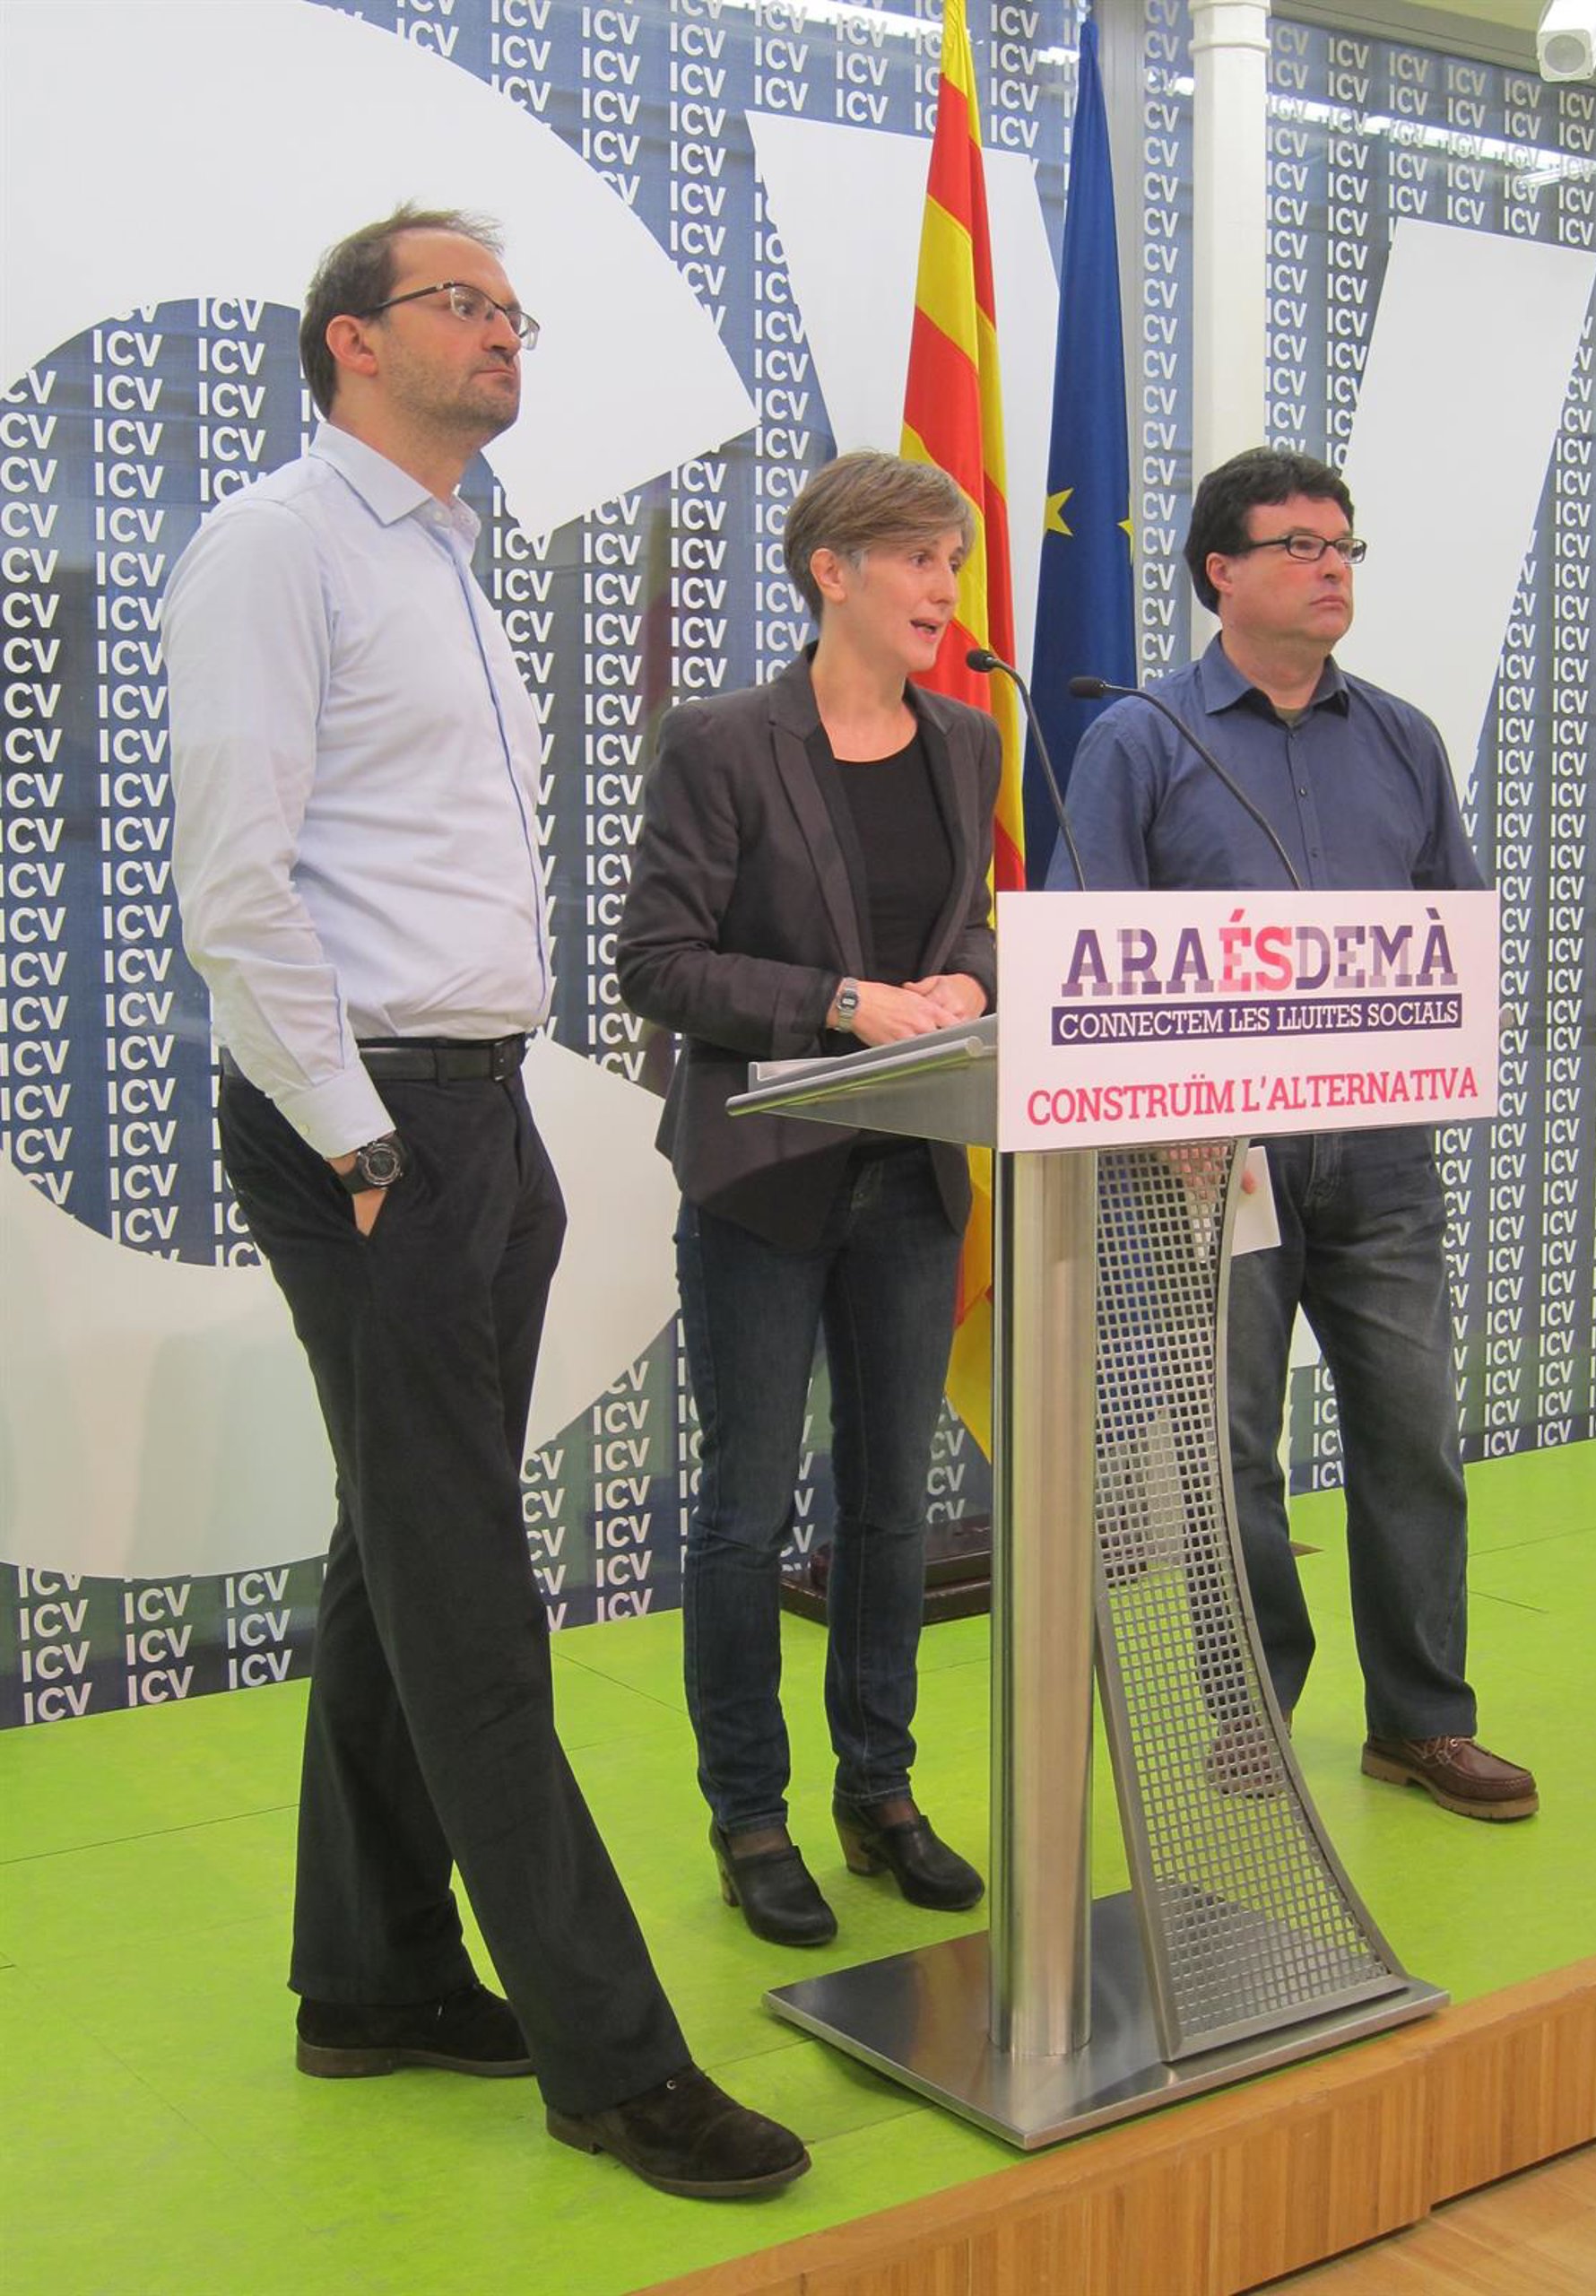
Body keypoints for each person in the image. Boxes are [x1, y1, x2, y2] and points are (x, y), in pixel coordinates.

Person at [165, 205, 808, 2198]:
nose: (505, 331)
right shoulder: (278, 545)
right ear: (351, 341)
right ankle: (615, 2061)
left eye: (516, 309)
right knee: (464, 1589)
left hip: (473, 1110)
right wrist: (358, 1138)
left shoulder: (443, 554)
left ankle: (369, 1982)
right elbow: (237, 884)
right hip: (371, 1128)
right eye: (465, 303)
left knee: (400, 1542)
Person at [1053, 447, 1538, 1823]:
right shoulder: (1139, 736)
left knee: (1412, 1436)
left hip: (1381, 1154)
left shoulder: (1402, 738)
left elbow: (1452, 928)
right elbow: (1092, 948)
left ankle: (1423, 1723)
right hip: (1216, 1161)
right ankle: (1249, 1711)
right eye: (1301, 546)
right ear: (1223, 572)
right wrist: (1167, 1109)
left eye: (1345, 547)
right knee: (1230, 1456)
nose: (1333, 568)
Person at [617, 451, 998, 1944]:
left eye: (953, 562)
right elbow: (658, 963)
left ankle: (879, 1793)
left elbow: (972, 922)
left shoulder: (968, 741)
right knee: (746, 1508)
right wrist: (839, 1002)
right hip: (765, 1179)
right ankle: (751, 1817)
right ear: (831, 571)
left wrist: (971, 979)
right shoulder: (721, 741)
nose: (944, 590)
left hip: (914, 1168)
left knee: (892, 1503)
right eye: (917, 560)